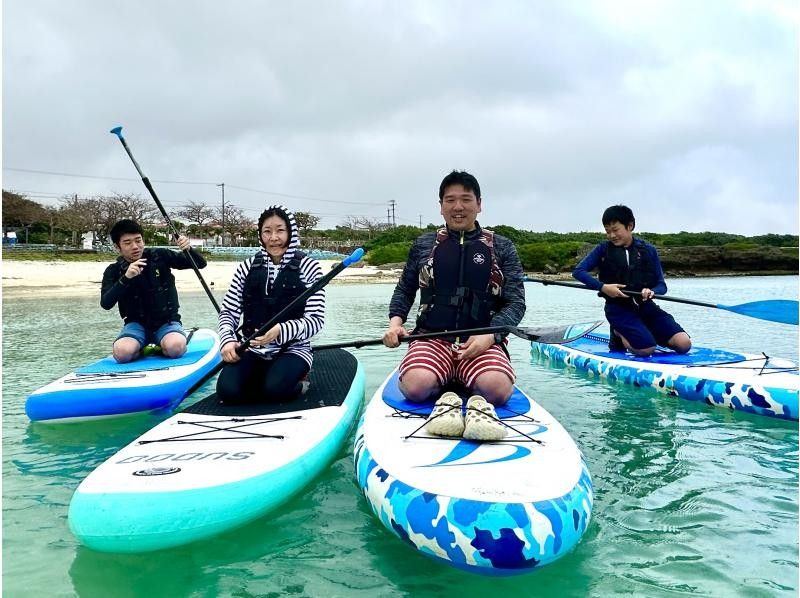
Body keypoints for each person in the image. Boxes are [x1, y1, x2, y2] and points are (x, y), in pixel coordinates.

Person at [382, 170, 526, 440]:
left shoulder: (503, 247)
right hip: (432, 337)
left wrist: (490, 335)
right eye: (450, 200)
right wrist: (395, 324)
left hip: (482, 341)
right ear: (441, 207)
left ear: (479, 204)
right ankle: (446, 389)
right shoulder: (424, 244)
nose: (458, 207)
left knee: (496, 390)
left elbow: (516, 302)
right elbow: (404, 289)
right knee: (415, 387)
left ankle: (468, 390)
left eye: (466, 199)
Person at [216, 204, 324, 404]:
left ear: (290, 232)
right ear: (260, 234)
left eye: (280, 230)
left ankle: (301, 382)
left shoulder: (309, 267)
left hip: (293, 348)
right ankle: (263, 377)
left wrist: (281, 330)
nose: (273, 237)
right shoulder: (246, 268)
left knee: (276, 390)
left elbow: (315, 321)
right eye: (267, 231)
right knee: (227, 391)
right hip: (251, 348)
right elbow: (228, 312)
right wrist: (228, 341)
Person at [573, 204, 692, 357]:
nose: (611, 235)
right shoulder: (603, 249)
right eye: (607, 231)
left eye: (615, 230)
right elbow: (578, 272)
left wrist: (652, 291)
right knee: (645, 350)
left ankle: (645, 333)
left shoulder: (648, 250)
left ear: (630, 226)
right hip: (618, 310)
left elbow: (662, 285)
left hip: (646, 308)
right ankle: (618, 332)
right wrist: (603, 287)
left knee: (684, 344)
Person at [101, 219, 207, 363]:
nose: (135, 246)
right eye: (127, 243)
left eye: (138, 240)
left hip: (166, 321)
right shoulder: (113, 270)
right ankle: (140, 347)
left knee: (175, 348)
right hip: (135, 324)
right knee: (122, 353)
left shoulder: (159, 256)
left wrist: (189, 250)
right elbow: (106, 303)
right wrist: (126, 278)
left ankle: (165, 343)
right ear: (117, 247)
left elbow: (200, 264)